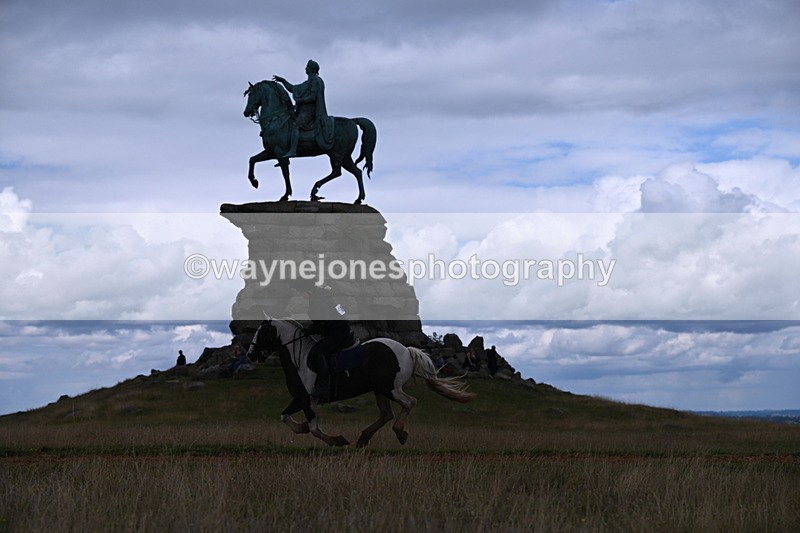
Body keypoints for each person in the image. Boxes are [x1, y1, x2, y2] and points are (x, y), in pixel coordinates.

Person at [302, 283, 356, 403]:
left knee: (319, 352)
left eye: (301, 292)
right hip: (338, 328)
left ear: (307, 290)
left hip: (338, 331)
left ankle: (323, 388)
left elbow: (325, 322)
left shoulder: (319, 300)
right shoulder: (323, 296)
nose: (302, 296)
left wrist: (311, 330)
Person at [272, 59, 335, 157]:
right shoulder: (308, 82)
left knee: (295, 125)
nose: (305, 68)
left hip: (310, 112)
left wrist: (301, 100)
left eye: (307, 67)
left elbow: (313, 97)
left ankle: (293, 150)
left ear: (310, 69)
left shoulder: (316, 80)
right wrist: (283, 81)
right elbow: (293, 89)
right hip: (302, 111)